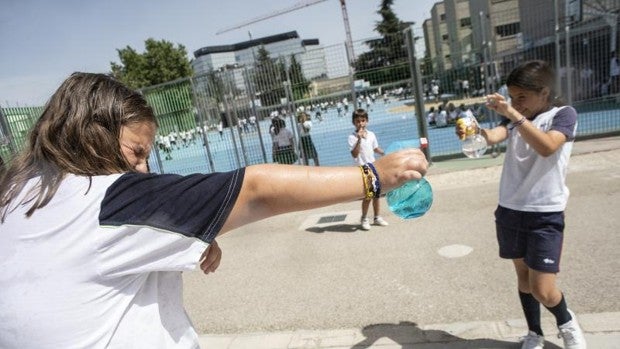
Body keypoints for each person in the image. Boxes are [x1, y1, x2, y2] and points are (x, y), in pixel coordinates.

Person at [0, 72, 428, 348]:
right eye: (135, 153)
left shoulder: (18, 191)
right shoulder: (111, 200)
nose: (143, 169)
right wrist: (375, 177)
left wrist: (187, 235)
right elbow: (258, 189)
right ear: (92, 133)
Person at [456, 60, 585, 349]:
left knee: (544, 289)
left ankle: (566, 322)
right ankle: (534, 333)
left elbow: (548, 146)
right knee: (525, 282)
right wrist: (474, 133)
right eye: (512, 96)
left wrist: (512, 112)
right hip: (511, 209)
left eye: (522, 96)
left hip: (545, 213)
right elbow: (492, 137)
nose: (516, 102)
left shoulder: (563, 114)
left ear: (544, 92)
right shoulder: (514, 118)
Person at [348, 108, 389, 231]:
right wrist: (359, 139)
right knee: (368, 196)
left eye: (363, 121)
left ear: (367, 121)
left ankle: (377, 217)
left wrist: (385, 153)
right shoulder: (352, 137)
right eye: (357, 121)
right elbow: (354, 154)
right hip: (362, 169)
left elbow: (376, 148)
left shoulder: (371, 134)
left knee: (377, 195)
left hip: (374, 166)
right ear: (354, 123)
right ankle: (364, 218)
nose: (360, 123)